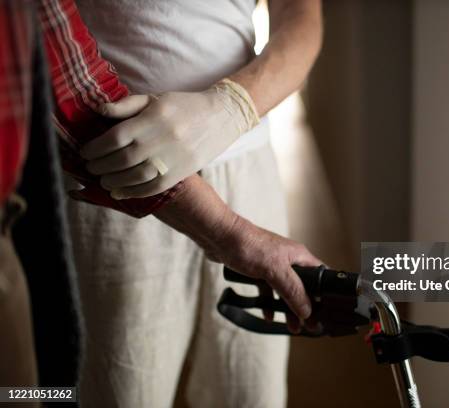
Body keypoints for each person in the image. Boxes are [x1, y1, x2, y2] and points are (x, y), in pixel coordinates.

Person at [62, 0, 323, 407]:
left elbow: (302, 13)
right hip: (115, 177)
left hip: (245, 161)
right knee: (122, 387)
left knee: (250, 387)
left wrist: (233, 106)